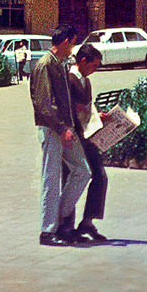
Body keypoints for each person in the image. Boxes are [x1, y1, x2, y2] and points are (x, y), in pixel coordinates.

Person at [30, 24, 91, 246]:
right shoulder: (45, 65)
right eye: (73, 43)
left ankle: (59, 217)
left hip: (65, 129)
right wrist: (62, 127)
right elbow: (44, 105)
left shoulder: (60, 64)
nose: (73, 48)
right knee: (51, 179)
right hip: (53, 129)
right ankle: (47, 232)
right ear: (65, 42)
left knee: (82, 171)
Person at [68, 44, 109, 241]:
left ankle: (88, 221)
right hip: (74, 136)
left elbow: (87, 108)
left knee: (100, 175)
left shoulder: (86, 81)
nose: (94, 70)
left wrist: (97, 115)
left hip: (88, 134)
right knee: (73, 179)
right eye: (93, 65)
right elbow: (68, 109)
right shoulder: (69, 79)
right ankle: (66, 225)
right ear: (83, 61)